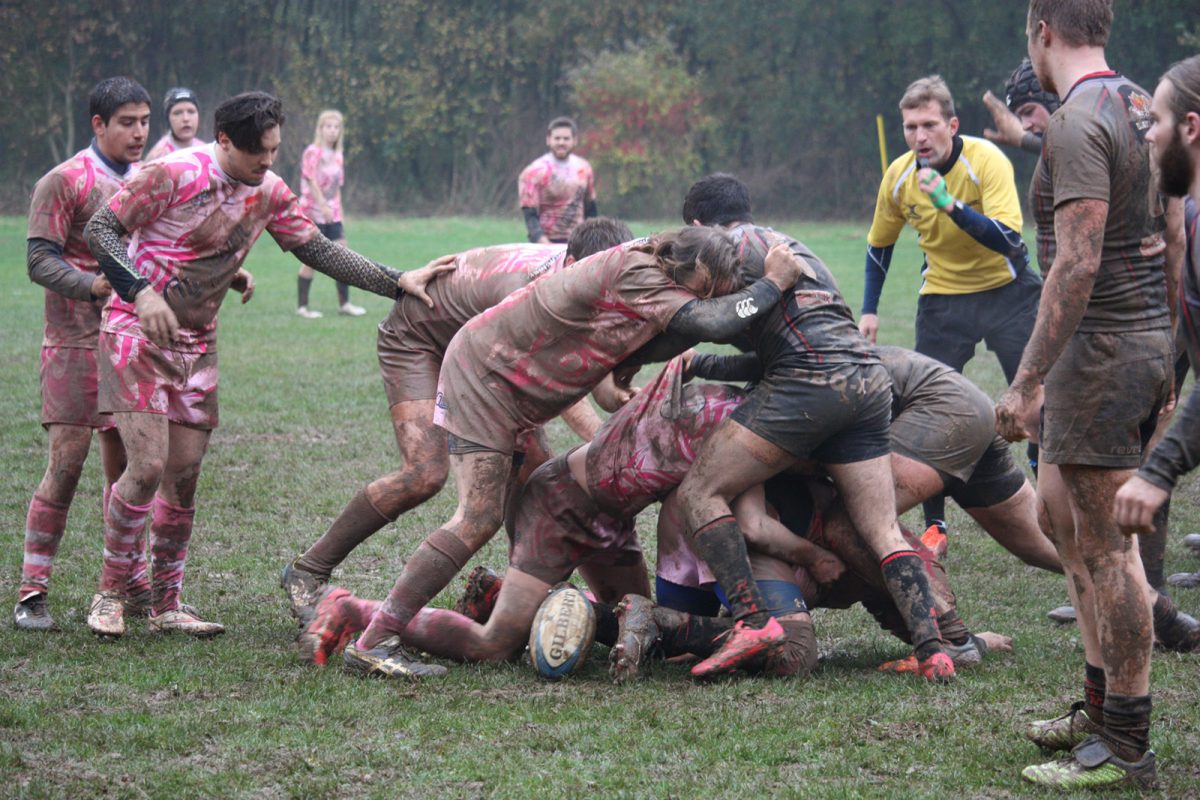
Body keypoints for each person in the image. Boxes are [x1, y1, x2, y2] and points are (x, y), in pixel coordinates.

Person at [340, 227, 806, 679]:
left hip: (513, 389)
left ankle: (388, 613)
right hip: (488, 379)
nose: (705, 301)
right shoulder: (642, 272)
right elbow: (710, 322)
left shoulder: (654, 270)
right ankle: (375, 637)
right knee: (477, 516)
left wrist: (630, 360)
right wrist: (774, 283)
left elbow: (682, 330)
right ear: (697, 266)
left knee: (593, 615)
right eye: (710, 290)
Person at [82, 91, 448, 640]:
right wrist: (141, 293)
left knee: (183, 478)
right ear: (224, 140)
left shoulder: (270, 190)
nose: (268, 163)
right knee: (148, 466)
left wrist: (395, 279)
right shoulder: (172, 173)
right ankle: (110, 593)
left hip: (197, 342)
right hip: (137, 331)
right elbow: (100, 231)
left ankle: (164, 602)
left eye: (275, 150)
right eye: (258, 153)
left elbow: (318, 249)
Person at [673, 174, 956, 682]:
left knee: (700, 491)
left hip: (810, 383)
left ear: (697, 226)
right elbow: (784, 341)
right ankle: (933, 649)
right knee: (881, 527)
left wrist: (692, 348)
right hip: (868, 381)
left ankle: (751, 621)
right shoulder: (790, 242)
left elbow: (724, 321)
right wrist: (707, 366)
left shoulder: (727, 248)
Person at [280, 218, 634, 624]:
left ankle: (529, 594)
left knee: (535, 472)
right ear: (573, 263)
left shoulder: (589, 277)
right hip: (420, 339)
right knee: (424, 473)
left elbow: (589, 369)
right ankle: (308, 571)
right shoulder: (533, 293)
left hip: (486, 353)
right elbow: (554, 389)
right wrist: (605, 445)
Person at [995, 2, 1170, 788]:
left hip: (1101, 352)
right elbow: (1171, 228)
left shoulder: (1077, 120)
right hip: (1120, 347)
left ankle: (1126, 740)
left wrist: (1026, 380)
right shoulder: (1139, 103)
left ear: (1043, 31)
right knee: (1055, 516)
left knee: (1108, 550)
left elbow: (1077, 263)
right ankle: (1097, 706)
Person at [862, 75, 1041, 540]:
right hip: (944, 300)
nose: (919, 137)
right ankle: (934, 528)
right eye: (909, 127)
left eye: (928, 125)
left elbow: (1009, 239)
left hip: (1009, 292)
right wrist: (869, 310)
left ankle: (1055, 511)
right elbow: (879, 246)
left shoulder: (987, 160)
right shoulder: (900, 175)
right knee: (927, 410)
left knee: (1039, 405)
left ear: (952, 124)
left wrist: (949, 204)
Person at [14, 77, 151, 632]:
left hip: (132, 342)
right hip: (72, 342)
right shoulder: (65, 180)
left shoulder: (151, 179)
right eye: (127, 122)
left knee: (131, 466)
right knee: (67, 465)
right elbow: (38, 261)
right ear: (98, 124)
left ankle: (126, 583)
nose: (139, 133)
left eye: (144, 121)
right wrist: (90, 286)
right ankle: (32, 589)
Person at [1115, 56, 1200, 592]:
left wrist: (1157, 471)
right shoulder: (1189, 215)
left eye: (1158, 122)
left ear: (1190, 128)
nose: (1149, 138)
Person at [295, 109, 363, 318]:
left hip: (332, 215)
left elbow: (336, 187)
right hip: (313, 212)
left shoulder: (338, 156)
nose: (332, 131)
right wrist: (322, 205)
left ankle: (344, 304)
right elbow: (310, 179)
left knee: (343, 255)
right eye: (328, 126)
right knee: (312, 259)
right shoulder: (312, 152)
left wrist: (337, 212)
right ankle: (302, 307)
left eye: (336, 127)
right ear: (320, 129)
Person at [518, 117, 596, 245]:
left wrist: (591, 240)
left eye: (566, 139)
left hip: (578, 241)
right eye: (557, 138)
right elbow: (530, 215)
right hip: (546, 242)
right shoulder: (533, 171)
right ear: (548, 140)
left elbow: (591, 209)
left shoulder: (584, 168)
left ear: (574, 141)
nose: (561, 142)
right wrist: (542, 241)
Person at [145, 87, 204, 162]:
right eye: (178, 113)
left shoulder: (206, 151)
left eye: (191, 111)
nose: (186, 118)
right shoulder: (158, 157)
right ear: (168, 118)